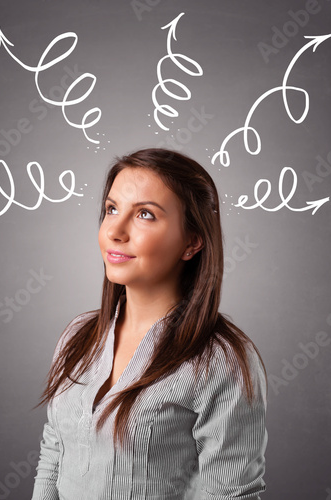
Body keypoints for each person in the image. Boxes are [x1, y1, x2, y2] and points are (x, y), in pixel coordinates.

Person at [31, 148, 268, 499]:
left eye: (144, 214)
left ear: (192, 241)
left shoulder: (222, 360)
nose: (115, 230)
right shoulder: (77, 336)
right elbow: (54, 452)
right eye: (112, 209)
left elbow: (230, 493)